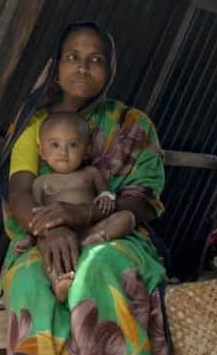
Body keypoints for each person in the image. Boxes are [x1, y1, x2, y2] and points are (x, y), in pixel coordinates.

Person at [0, 21, 170, 355]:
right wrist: (50, 230)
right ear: (57, 65)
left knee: (92, 276)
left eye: (96, 58)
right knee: (33, 281)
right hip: (40, 239)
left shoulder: (133, 125)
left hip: (115, 236)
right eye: (73, 55)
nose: (83, 66)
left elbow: (140, 200)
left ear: (110, 69)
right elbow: (20, 193)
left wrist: (78, 218)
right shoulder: (34, 124)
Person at [12, 111, 137, 302]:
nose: (63, 152)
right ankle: (58, 283)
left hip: (90, 228)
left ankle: (93, 241)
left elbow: (107, 194)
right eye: (55, 145)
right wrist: (30, 238)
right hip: (55, 235)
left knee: (127, 218)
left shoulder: (91, 173)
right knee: (45, 246)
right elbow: (37, 217)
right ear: (42, 152)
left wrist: (106, 197)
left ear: (86, 150)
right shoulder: (41, 182)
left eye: (72, 145)